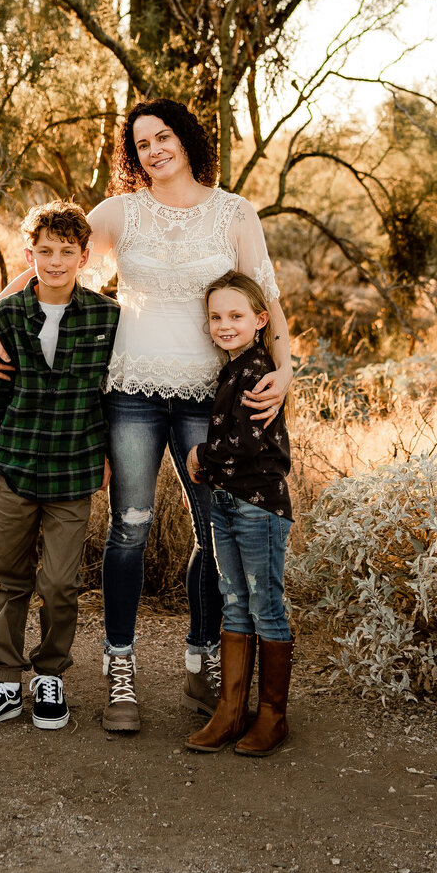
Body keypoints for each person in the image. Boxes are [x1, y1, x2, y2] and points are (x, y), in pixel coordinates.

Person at [0, 100, 292, 734]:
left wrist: (285, 372)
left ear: (186, 140)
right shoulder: (121, 212)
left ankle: (203, 660)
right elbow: (46, 264)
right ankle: (122, 671)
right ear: (132, 153)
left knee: (212, 535)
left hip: (211, 395)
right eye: (141, 143)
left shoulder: (235, 213)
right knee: (130, 529)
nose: (154, 151)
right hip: (132, 392)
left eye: (163, 137)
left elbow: (268, 301)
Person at [0, 200, 117, 736]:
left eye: (66, 252)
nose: (55, 262)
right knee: (9, 580)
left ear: (84, 255)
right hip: (15, 469)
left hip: (73, 473)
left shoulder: (105, 317)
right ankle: (4, 681)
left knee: (61, 584)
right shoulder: (5, 316)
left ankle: (50, 675)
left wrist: (107, 459)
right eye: (44, 252)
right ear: (28, 255)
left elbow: (111, 402)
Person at [184, 272, 294, 757]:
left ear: (260, 320)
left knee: (264, 605)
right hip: (227, 502)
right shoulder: (231, 370)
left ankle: (272, 716)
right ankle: (230, 711)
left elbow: (247, 444)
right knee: (233, 602)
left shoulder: (256, 372)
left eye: (236, 316)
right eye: (216, 317)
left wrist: (200, 457)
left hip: (258, 506)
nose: (225, 325)